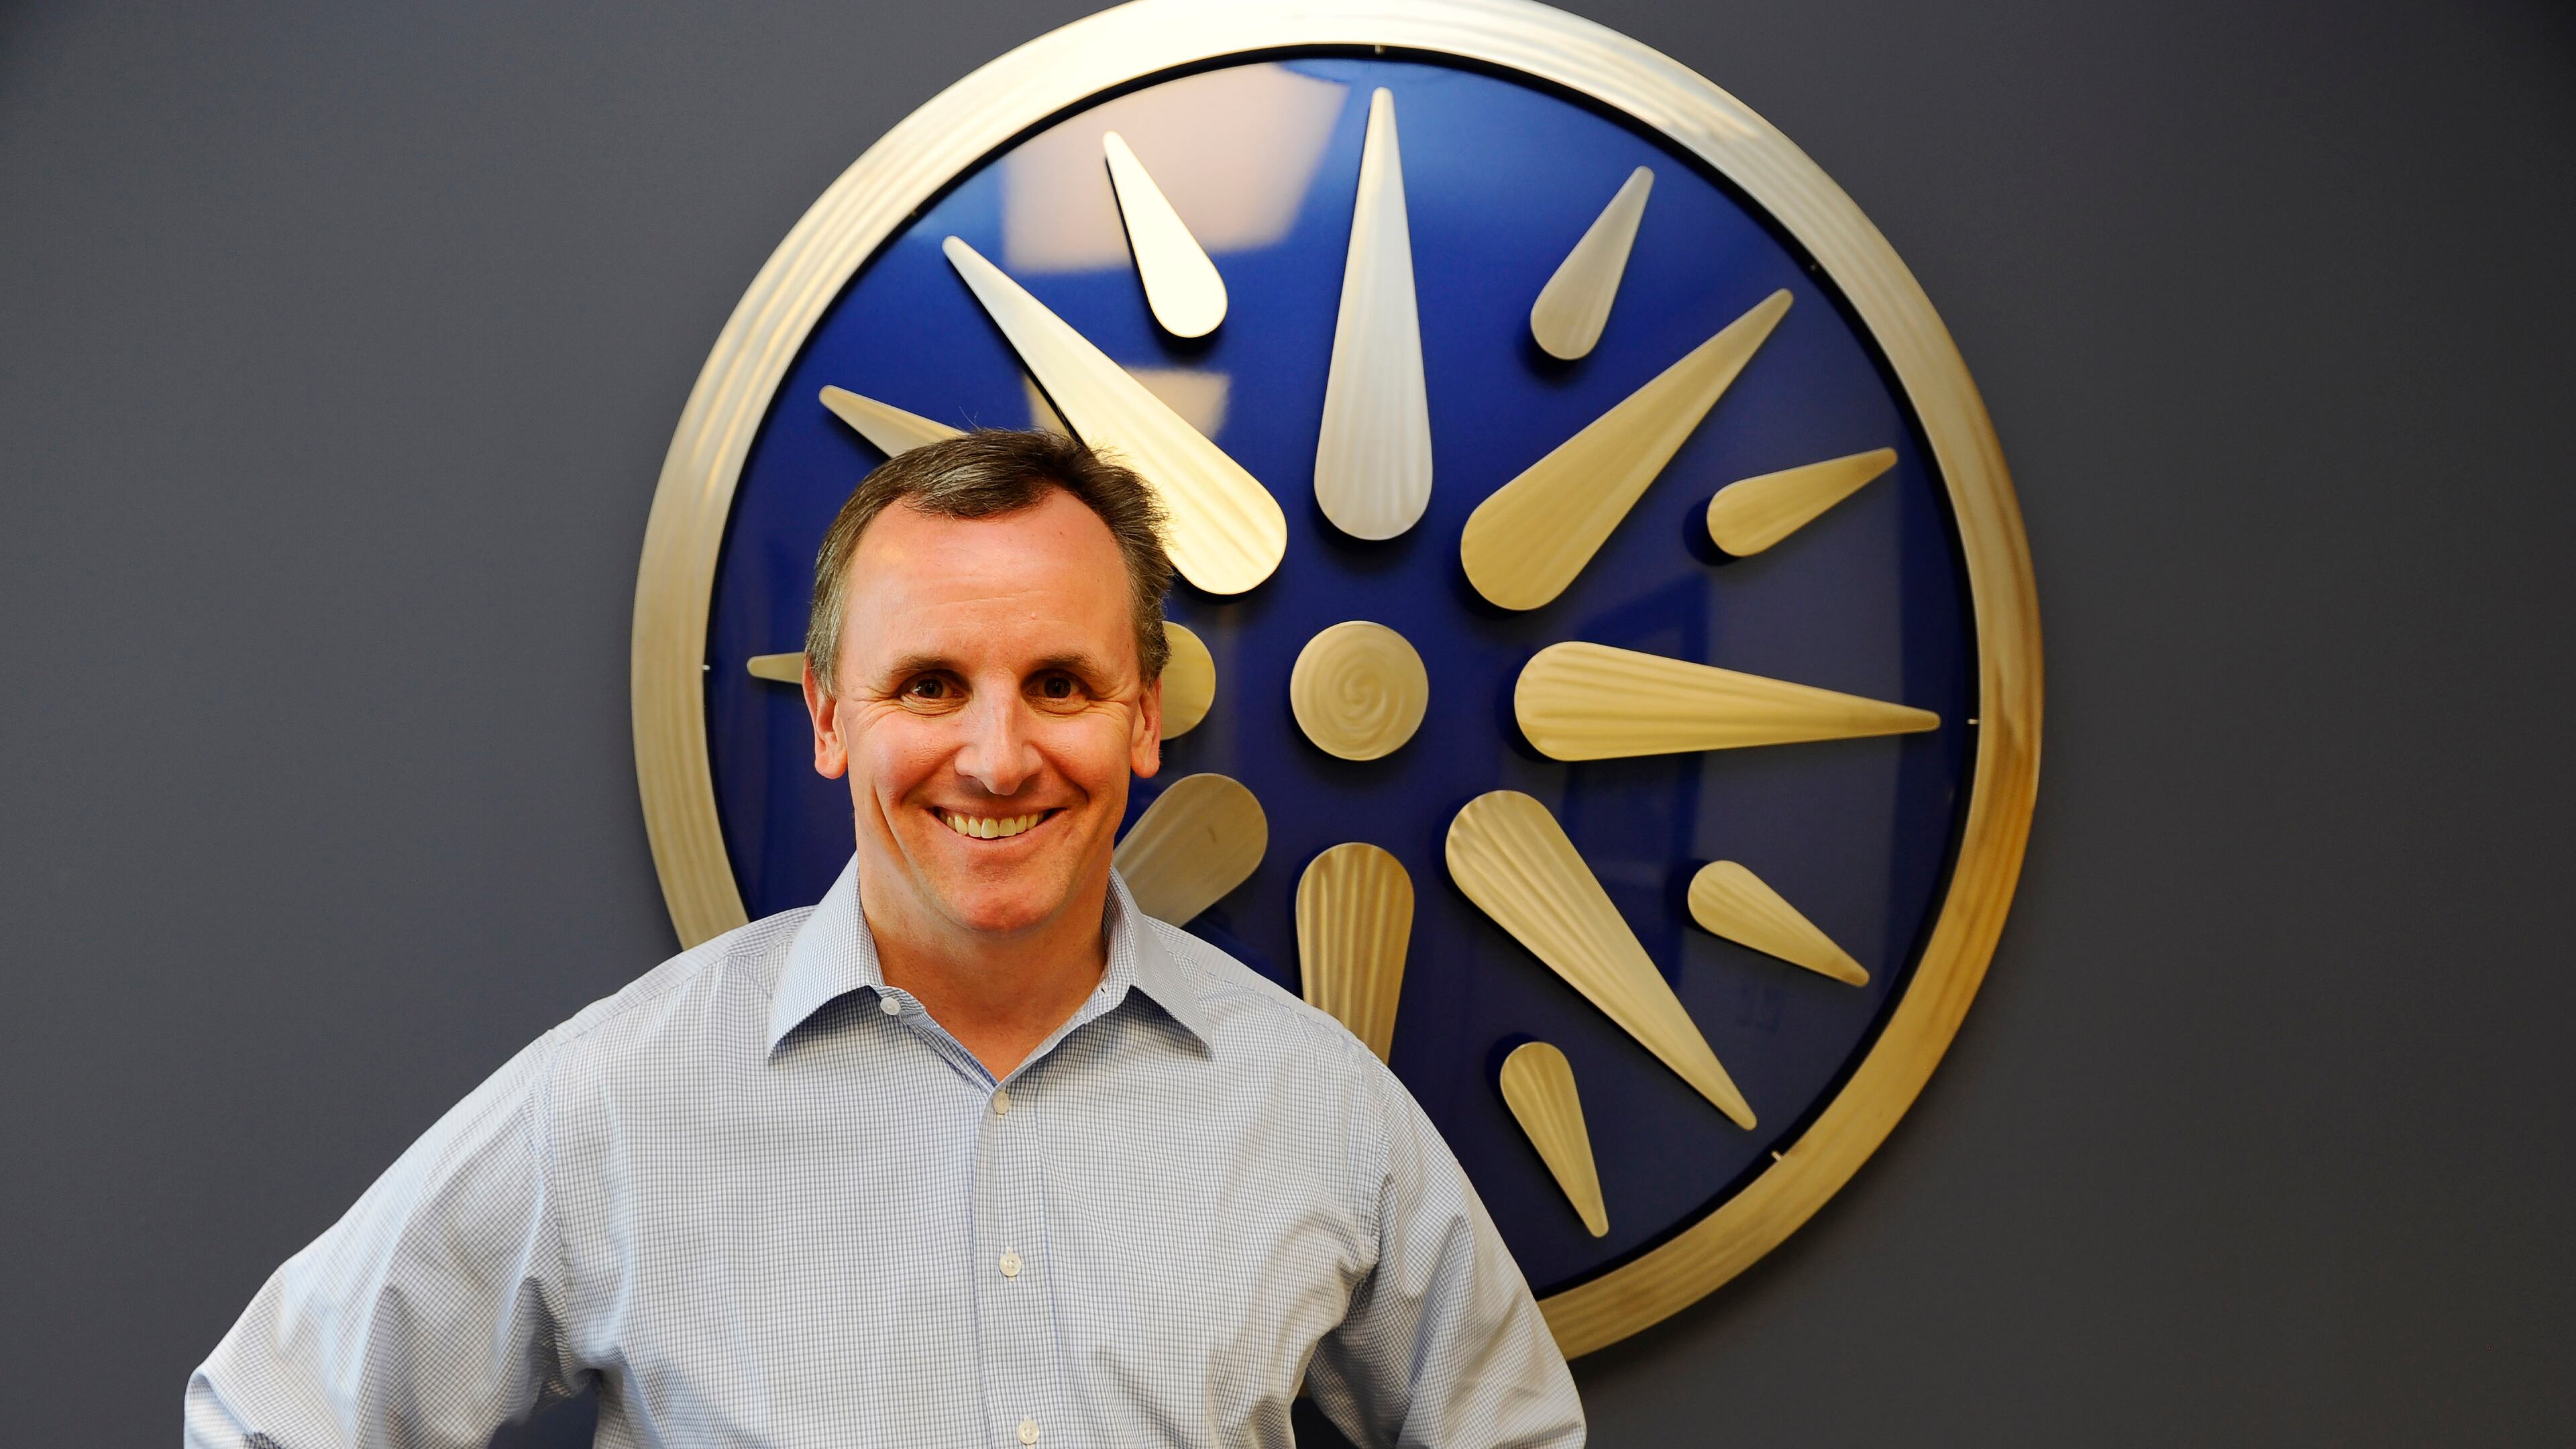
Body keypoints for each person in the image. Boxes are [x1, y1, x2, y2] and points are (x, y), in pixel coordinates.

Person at [185, 430, 1585, 1448]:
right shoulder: (621, 1097)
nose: (996, 755)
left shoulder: (1316, 1107)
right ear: (830, 719)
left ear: (1144, 718)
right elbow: (270, 1418)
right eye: (927, 684)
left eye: (1059, 683)